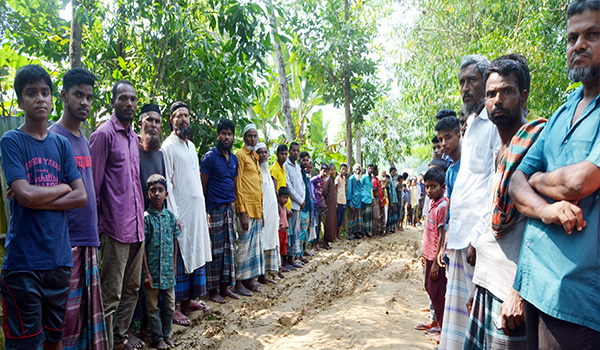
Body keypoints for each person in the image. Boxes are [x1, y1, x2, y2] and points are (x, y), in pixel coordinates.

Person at [508, 2, 600, 348]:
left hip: (576, 295)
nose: (579, 45)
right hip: (535, 284)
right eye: (572, 37)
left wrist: (538, 180)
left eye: (592, 34)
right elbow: (515, 180)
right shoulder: (562, 112)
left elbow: (580, 181)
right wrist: (547, 208)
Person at [0, 65, 87, 350]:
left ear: (52, 99)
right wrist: (62, 187)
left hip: (59, 261)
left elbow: (81, 197)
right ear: (20, 100)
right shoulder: (12, 141)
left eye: (44, 93)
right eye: (31, 93)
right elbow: (23, 195)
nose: (39, 99)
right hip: (24, 263)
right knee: (25, 344)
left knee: (55, 339)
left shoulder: (61, 145)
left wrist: (39, 196)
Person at [463, 55, 539, 349]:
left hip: (511, 291)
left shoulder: (534, 146)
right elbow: (493, 217)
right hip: (487, 283)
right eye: (491, 94)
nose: (497, 100)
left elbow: (539, 229)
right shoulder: (501, 152)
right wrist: (478, 284)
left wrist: (518, 291)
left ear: (522, 97)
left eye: (506, 91)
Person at [438, 54, 500, 350]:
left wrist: (479, 236)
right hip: (460, 239)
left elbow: (495, 183)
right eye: (461, 82)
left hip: (478, 241)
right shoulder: (472, 123)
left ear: (486, 81)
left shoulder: (494, 124)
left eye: (471, 80)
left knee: (476, 318)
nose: (465, 88)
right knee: (458, 319)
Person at [46, 67, 108, 350]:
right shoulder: (51, 139)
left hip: (89, 241)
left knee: (84, 318)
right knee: (63, 321)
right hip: (64, 244)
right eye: (78, 95)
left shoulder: (86, 140)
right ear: (63, 96)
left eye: (89, 97)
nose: (84, 102)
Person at [90, 80, 145, 350]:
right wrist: (97, 230)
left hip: (136, 227)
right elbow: (93, 186)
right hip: (114, 228)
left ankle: (121, 336)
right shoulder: (103, 135)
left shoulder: (135, 138)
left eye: (133, 99)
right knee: (110, 294)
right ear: (113, 101)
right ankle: (107, 344)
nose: (129, 104)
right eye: (123, 98)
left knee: (132, 288)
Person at [161, 101, 212, 326]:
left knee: (196, 253)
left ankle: (189, 301)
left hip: (197, 213)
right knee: (180, 258)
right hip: (180, 214)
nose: (184, 119)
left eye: (187, 115)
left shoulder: (191, 146)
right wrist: (174, 214)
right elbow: (168, 184)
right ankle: (173, 309)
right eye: (179, 115)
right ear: (171, 120)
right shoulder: (167, 147)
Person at [200, 119, 239, 304]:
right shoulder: (209, 158)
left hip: (229, 209)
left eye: (229, 134)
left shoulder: (234, 159)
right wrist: (207, 208)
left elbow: (233, 183)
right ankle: (213, 290)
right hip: (214, 210)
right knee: (215, 251)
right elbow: (203, 185)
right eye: (223, 133)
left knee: (228, 250)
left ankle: (225, 288)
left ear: (233, 137)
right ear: (218, 136)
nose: (226, 137)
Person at [142, 175, 180, 350]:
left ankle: (167, 335)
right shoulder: (146, 218)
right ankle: (157, 338)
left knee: (170, 305)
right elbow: (142, 248)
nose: (157, 194)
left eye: (160, 190)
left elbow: (174, 241)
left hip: (167, 272)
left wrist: (173, 266)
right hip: (152, 273)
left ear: (165, 193)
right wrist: (146, 273)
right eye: (153, 190)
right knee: (152, 307)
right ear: (148, 193)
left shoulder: (170, 216)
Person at [233, 123, 265, 295]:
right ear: (244, 137)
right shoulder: (240, 155)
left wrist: (262, 212)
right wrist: (242, 211)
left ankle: (250, 280)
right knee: (244, 248)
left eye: (255, 136)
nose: (252, 139)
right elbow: (238, 185)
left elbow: (258, 185)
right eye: (249, 136)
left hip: (257, 209)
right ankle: (239, 282)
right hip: (246, 210)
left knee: (255, 247)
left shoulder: (255, 156)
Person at [420, 167, 448, 341]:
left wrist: (437, 262)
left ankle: (443, 330)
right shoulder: (432, 203)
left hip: (436, 258)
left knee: (438, 293)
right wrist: (424, 253)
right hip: (429, 255)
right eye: (427, 186)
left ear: (443, 186)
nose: (429, 190)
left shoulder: (443, 206)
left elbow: (441, 236)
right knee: (430, 288)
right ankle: (439, 325)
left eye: (433, 186)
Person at [257, 142, 281, 282]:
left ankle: (272, 271)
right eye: (260, 152)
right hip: (263, 213)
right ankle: (261, 275)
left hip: (272, 213)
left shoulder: (267, 171)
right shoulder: (257, 171)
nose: (264, 155)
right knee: (264, 241)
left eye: (265, 152)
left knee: (273, 239)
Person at [285, 142, 306, 266]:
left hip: (299, 205)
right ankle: (288, 259)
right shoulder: (286, 166)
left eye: (298, 151)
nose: (296, 153)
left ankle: (293, 257)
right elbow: (289, 187)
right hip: (291, 205)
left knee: (296, 233)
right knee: (290, 233)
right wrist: (299, 200)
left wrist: (302, 199)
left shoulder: (298, 167)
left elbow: (302, 185)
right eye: (293, 150)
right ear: (289, 151)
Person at [435, 115, 462, 200]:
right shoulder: (449, 171)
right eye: (440, 139)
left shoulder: (467, 166)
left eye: (448, 138)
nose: (443, 143)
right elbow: (449, 204)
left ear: (459, 136)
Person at [299, 151, 314, 259]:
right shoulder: (298, 172)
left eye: (307, 160)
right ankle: (298, 255)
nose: (305, 162)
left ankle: (303, 251)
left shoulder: (305, 174)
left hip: (309, 206)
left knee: (307, 231)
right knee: (302, 231)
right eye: (303, 160)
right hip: (302, 206)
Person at [310, 164, 328, 249]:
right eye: (324, 171)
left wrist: (323, 203)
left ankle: (316, 244)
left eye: (326, 172)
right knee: (316, 225)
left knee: (319, 226)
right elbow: (309, 183)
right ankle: (313, 245)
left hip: (320, 205)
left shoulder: (322, 181)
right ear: (320, 170)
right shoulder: (315, 179)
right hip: (315, 205)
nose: (325, 173)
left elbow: (320, 193)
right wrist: (312, 195)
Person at [346, 164, 364, 239]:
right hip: (353, 201)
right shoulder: (351, 178)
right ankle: (349, 234)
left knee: (358, 218)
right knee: (351, 218)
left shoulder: (360, 179)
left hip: (359, 201)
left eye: (359, 169)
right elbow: (349, 191)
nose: (358, 171)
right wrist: (350, 203)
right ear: (354, 170)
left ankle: (356, 233)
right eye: (356, 169)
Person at [322, 163, 338, 248]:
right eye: (331, 170)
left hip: (332, 204)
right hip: (328, 204)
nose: (333, 171)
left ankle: (329, 241)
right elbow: (324, 192)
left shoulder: (333, 179)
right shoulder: (327, 180)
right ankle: (325, 242)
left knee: (332, 223)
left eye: (334, 170)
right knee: (328, 223)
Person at [278, 187, 293, 269]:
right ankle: (280, 266)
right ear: (279, 197)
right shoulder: (278, 207)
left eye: (287, 198)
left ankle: (282, 266)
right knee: (280, 250)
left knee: (284, 249)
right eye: (284, 197)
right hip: (280, 231)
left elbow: (288, 212)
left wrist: (290, 212)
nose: (286, 200)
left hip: (285, 231)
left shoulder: (284, 207)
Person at [335, 163, 348, 240]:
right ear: (340, 169)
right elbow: (336, 190)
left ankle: (338, 235)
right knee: (338, 218)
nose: (344, 171)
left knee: (341, 219)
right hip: (339, 201)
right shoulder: (337, 178)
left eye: (345, 170)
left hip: (343, 201)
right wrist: (336, 202)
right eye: (343, 169)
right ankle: (335, 235)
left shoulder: (344, 179)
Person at [361, 165, 374, 237]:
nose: (371, 170)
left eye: (372, 169)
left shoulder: (371, 178)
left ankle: (367, 232)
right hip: (363, 199)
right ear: (367, 169)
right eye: (369, 168)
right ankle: (363, 232)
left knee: (368, 216)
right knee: (364, 216)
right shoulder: (363, 177)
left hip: (369, 199)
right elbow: (360, 186)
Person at [371, 165, 384, 235]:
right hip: (377, 201)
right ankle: (375, 232)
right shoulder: (374, 181)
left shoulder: (377, 179)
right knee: (376, 216)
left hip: (379, 200)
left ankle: (379, 231)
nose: (378, 171)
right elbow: (375, 192)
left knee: (379, 216)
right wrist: (380, 200)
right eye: (377, 170)